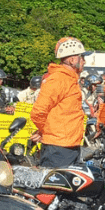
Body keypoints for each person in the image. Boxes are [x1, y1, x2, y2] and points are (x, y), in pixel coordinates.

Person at [30, 37, 92, 168]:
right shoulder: (59, 79)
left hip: (68, 144)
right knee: (54, 187)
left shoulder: (69, 79)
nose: (85, 61)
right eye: (82, 57)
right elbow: (38, 112)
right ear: (72, 60)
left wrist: (45, 131)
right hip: (58, 148)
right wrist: (45, 131)